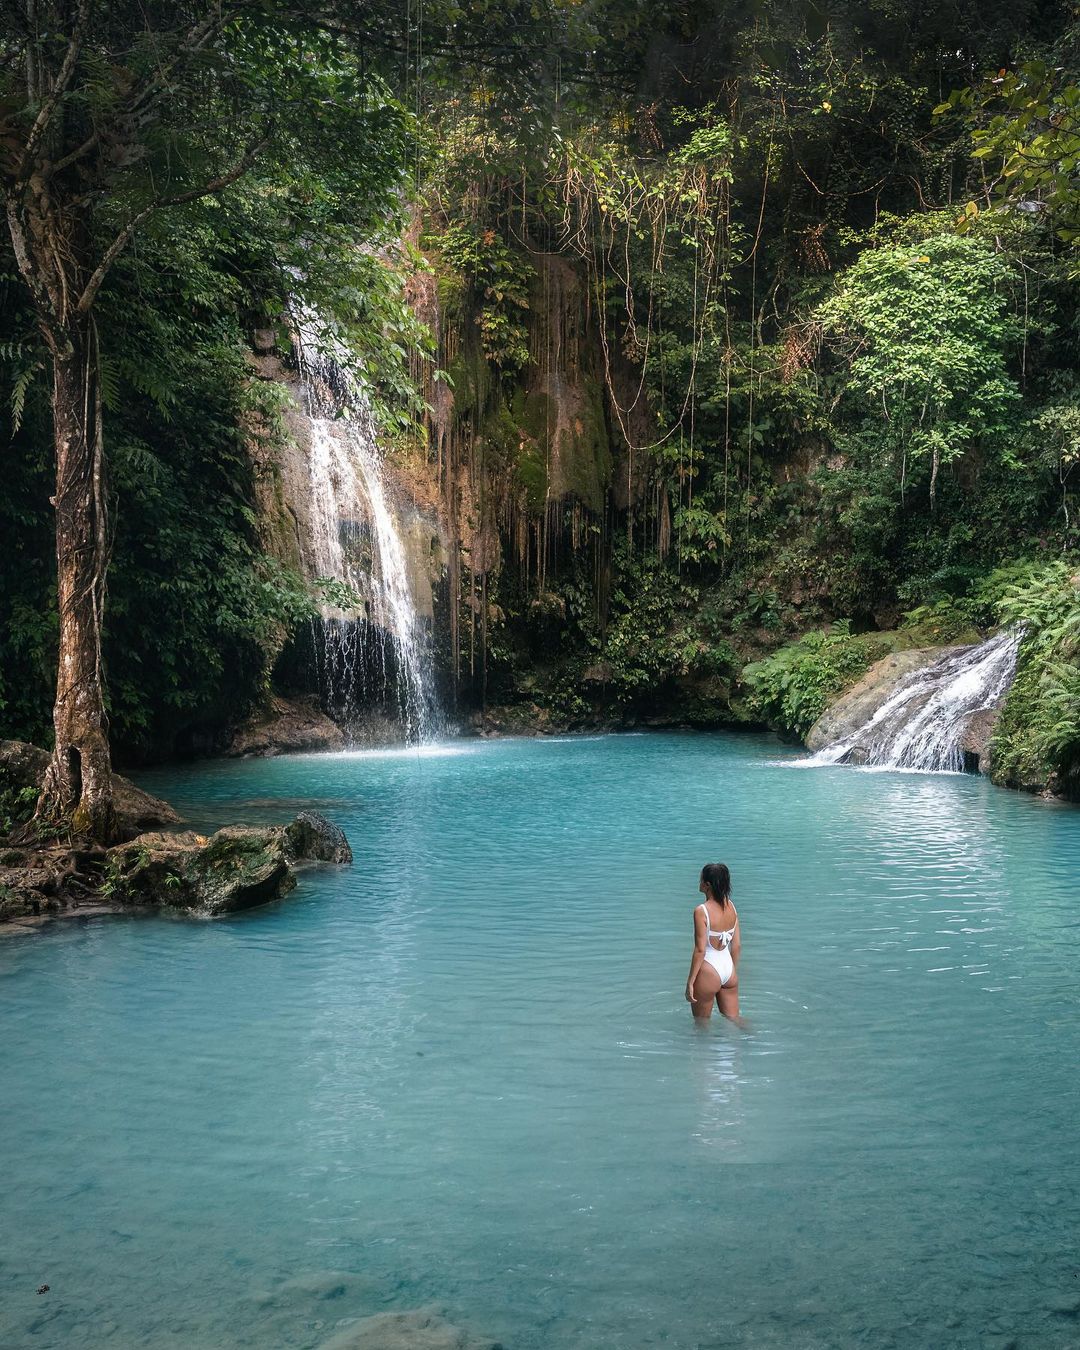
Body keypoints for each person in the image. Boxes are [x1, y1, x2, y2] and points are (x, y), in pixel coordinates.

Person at [685, 862, 741, 1022]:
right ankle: (749, 1040)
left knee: (701, 1027)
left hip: (709, 970)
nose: (699, 883)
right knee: (735, 1021)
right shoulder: (732, 907)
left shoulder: (701, 911)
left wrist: (690, 982)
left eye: (701, 879)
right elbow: (736, 945)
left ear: (707, 885)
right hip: (728, 969)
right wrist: (731, 972)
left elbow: (700, 950)